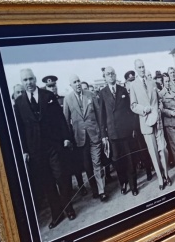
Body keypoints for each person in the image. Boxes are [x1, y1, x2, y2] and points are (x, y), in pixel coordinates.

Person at [13, 69, 76, 229]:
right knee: (47, 183)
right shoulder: (19, 103)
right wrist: (25, 150)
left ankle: (69, 208)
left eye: (30, 79)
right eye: (25, 80)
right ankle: (57, 214)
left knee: (61, 177)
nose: (28, 82)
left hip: (53, 145)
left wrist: (66, 138)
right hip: (36, 150)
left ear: (35, 79)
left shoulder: (47, 96)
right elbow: (20, 129)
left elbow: (60, 118)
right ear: (22, 82)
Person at [63, 74, 107, 202]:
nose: (77, 84)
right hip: (79, 139)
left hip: (94, 135)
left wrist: (102, 133)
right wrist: (69, 138)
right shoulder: (68, 99)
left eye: (78, 81)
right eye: (74, 82)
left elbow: (99, 115)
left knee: (97, 163)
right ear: (71, 85)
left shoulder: (90, 95)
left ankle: (102, 190)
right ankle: (95, 190)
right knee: (87, 167)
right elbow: (66, 121)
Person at [99, 66, 141, 197]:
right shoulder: (102, 93)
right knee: (117, 161)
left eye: (112, 73)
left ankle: (133, 185)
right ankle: (123, 183)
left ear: (115, 75)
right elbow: (102, 116)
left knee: (130, 160)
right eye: (108, 74)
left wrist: (133, 128)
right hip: (113, 134)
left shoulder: (123, 90)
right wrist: (104, 135)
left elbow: (130, 111)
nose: (111, 76)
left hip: (126, 132)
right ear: (105, 77)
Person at [130, 59, 171, 190]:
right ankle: (160, 178)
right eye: (139, 67)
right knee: (153, 152)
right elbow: (133, 106)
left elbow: (159, 100)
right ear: (136, 69)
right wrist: (144, 110)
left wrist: (159, 108)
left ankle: (166, 175)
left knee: (163, 149)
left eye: (143, 67)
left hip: (158, 121)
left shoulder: (152, 82)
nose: (142, 69)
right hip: (146, 124)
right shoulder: (133, 85)